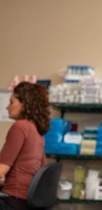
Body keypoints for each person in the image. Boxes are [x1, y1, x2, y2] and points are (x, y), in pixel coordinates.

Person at [0, 82, 50, 210]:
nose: (7, 107)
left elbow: (1, 170)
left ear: (25, 105)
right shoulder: (38, 132)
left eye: (11, 102)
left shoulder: (20, 126)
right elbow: (40, 170)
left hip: (13, 202)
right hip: (28, 202)